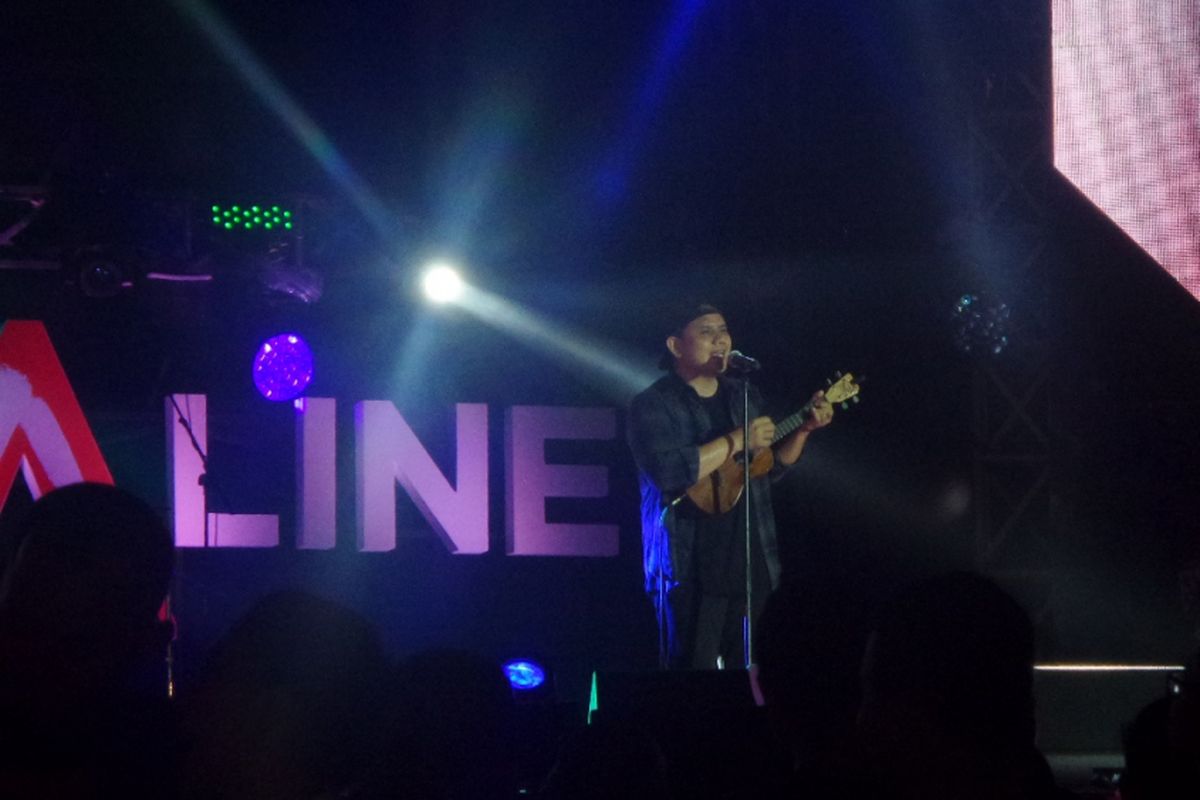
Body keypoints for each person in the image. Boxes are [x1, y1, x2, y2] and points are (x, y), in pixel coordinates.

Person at [627, 303, 833, 670]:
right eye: (706, 331)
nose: (720, 339)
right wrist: (736, 441)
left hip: (751, 566)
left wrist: (803, 429)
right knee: (694, 682)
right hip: (690, 568)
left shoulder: (744, 396)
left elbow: (766, 469)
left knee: (751, 684)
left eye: (723, 330)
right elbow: (670, 471)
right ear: (676, 346)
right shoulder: (653, 404)